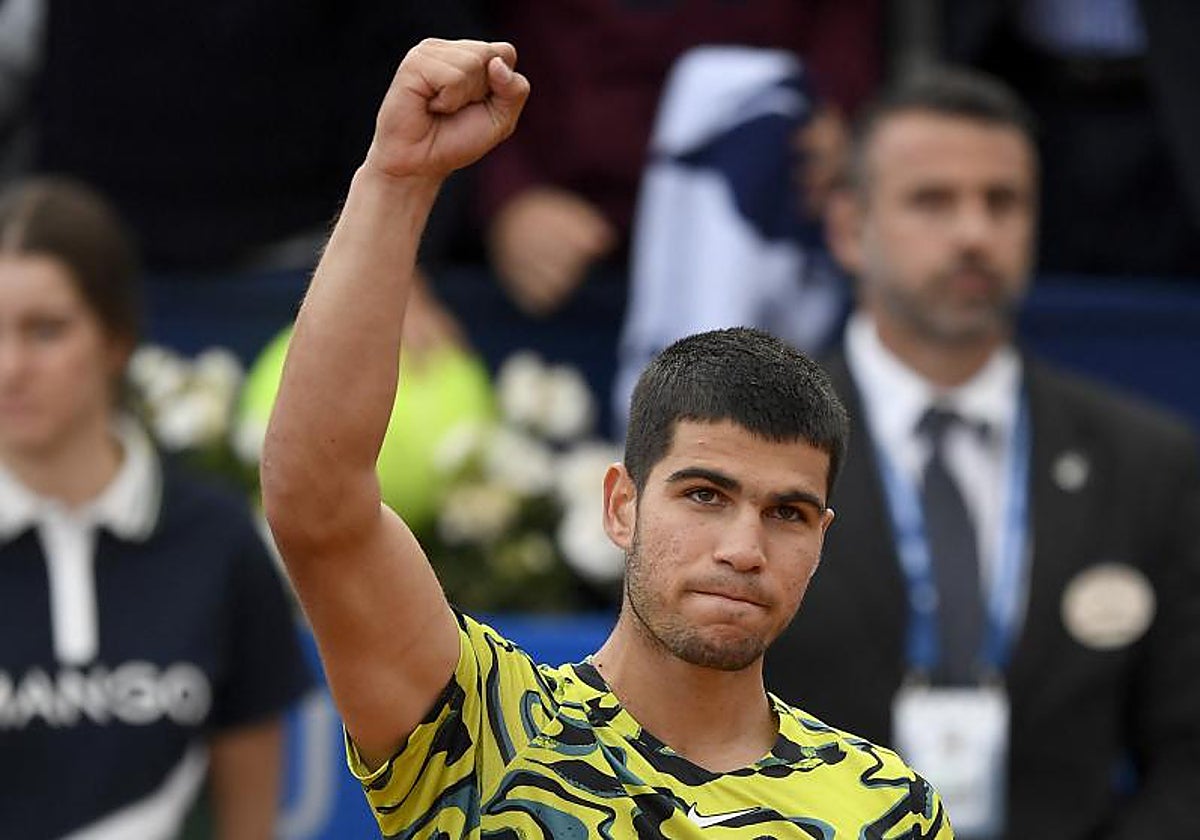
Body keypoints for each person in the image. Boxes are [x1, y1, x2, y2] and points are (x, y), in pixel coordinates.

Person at [261, 38, 952, 837]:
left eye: (788, 513)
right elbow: (315, 503)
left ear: (822, 538)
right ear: (620, 504)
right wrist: (397, 179)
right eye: (704, 494)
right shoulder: (487, 729)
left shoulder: (890, 810)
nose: (743, 547)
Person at [763, 67, 1200, 838]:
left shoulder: (1148, 463)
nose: (974, 232)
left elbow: (1189, 752)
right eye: (932, 200)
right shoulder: (757, 446)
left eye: (1002, 202)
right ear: (847, 228)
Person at [0, 177, 312, 839]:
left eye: (45, 331)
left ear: (116, 338)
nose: (9, 367)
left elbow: (250, 824)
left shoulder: (217, 541)